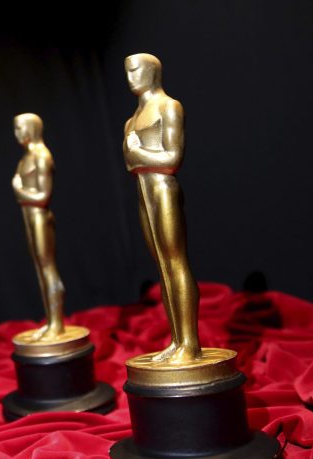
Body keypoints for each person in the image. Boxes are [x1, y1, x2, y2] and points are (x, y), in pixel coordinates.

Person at [123, 53, 201, 364]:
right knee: (162, 266)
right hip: (145, 191)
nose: (131, 78)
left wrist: (139, 151)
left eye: (136, 70)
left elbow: (171, 159)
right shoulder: (132, 118)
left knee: (176, 261)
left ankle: (190, 344)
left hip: (163, 189)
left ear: (153, 71)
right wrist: (138, 156)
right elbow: (130, 165)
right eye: (127, 72)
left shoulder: (169, 106)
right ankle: (176, 340)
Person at [12, 113, 65, 341]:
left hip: (39, 215)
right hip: (29, 215)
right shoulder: (26, 158)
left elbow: (43, 195)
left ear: (32, 129)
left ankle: (57, 323)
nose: (18, 134)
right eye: (15, 129)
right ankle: (51, 321)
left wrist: (18, 189)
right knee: (39, 268)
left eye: (20, 128)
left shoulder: (42, 157)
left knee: (47, 267)